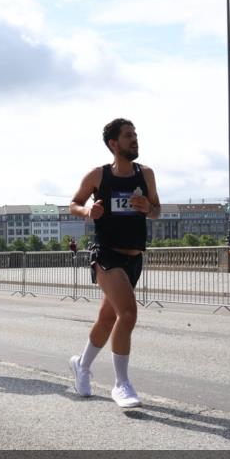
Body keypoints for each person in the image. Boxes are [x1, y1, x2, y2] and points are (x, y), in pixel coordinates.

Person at [67, 118, 160, 409]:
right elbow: (74, 203)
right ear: (113, 144)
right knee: (128, 314)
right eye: (128, 136)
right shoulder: (99, 175)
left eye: (135, 135)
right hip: (106, 254)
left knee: (108, 319)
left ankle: (82, 365)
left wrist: (148, 208)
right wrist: (87, 211)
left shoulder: (145, 174)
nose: (135, 140)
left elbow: (156, 210)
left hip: (135, 258)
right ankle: (122, 385)